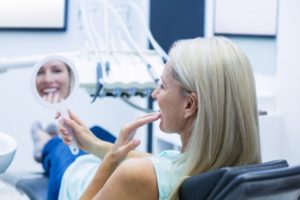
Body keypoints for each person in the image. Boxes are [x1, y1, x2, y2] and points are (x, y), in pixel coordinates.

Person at [32, 37, 261, 200]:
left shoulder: (137, 175)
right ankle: (77, 140)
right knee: (97, 132)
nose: (154, 94)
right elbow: (165, 163)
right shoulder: (231, 168)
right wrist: (95, 145)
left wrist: (111, 159)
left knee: (62, 150)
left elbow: (146, 171)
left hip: (76, 185)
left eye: (162, 86)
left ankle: (44, 142)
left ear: (190, 104)